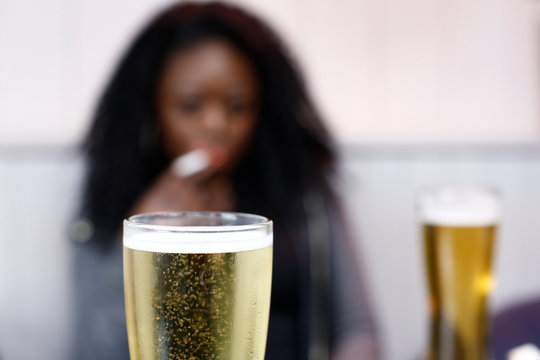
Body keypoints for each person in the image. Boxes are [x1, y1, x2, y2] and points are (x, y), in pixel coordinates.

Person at [71, 2, 378, 359]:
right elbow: (91, 347)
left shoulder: (304, 191)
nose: (215, 124)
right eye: (189, 105)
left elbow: (356, 327)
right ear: (152, 108)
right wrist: (147, 244)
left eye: (237, 105)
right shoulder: (114, 201)